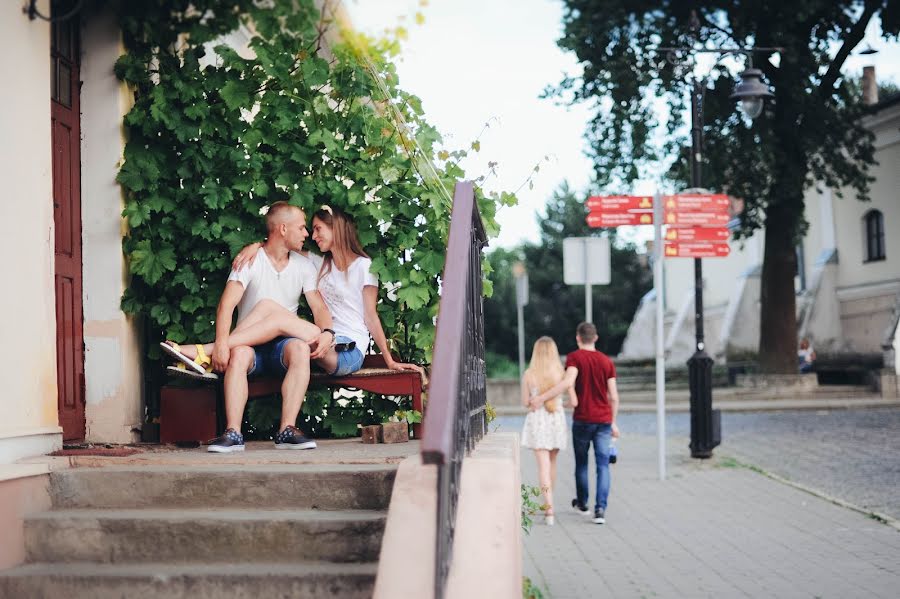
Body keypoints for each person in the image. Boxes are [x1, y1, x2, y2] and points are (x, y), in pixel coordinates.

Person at [160, 202, 335, 453]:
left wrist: (328, 333)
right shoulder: (250, 261)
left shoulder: (305, 264)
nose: (307, 234)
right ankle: (233, 434)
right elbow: (226, 306)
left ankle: (287, 430)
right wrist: (223, 344)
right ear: (283, 229)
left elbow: (319, 308)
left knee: (298, 346)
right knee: (240, 352)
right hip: (248, 343)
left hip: (282, 347)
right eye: (301, 228)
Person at [231, 204, 423, 377]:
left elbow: (371, 317)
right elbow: (279, 243)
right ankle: (218, 350)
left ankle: (209, 350)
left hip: (348, 348)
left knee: (278, 318)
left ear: (335, 228)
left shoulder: (364, 266)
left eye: (318, 229)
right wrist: (256, 246)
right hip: (320, 338)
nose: (313, 236)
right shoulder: (320, 263)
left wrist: (389, 360)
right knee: (267, 307)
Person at [532, 322, 619, 525]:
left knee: (581, 463)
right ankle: (600, 509)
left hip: (582, 419)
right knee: (603, 465)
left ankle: (582, 503)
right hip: (604, 420)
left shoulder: (574, 358)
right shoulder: (607, 362)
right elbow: (613, 396)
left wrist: (542, 398)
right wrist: (613, 422)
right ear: (596, 338)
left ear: (578, 338)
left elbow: (568, 382)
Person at [520, 336, 578, 526]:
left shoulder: (529, 374)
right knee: (552, 463)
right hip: (556, 418)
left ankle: (549, 509)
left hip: (538, 420)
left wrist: (537, 400)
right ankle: (549, 506)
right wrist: (562, 403)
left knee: (542, 467)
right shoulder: (561, 373)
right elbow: (574, 401)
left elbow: (525, 402)